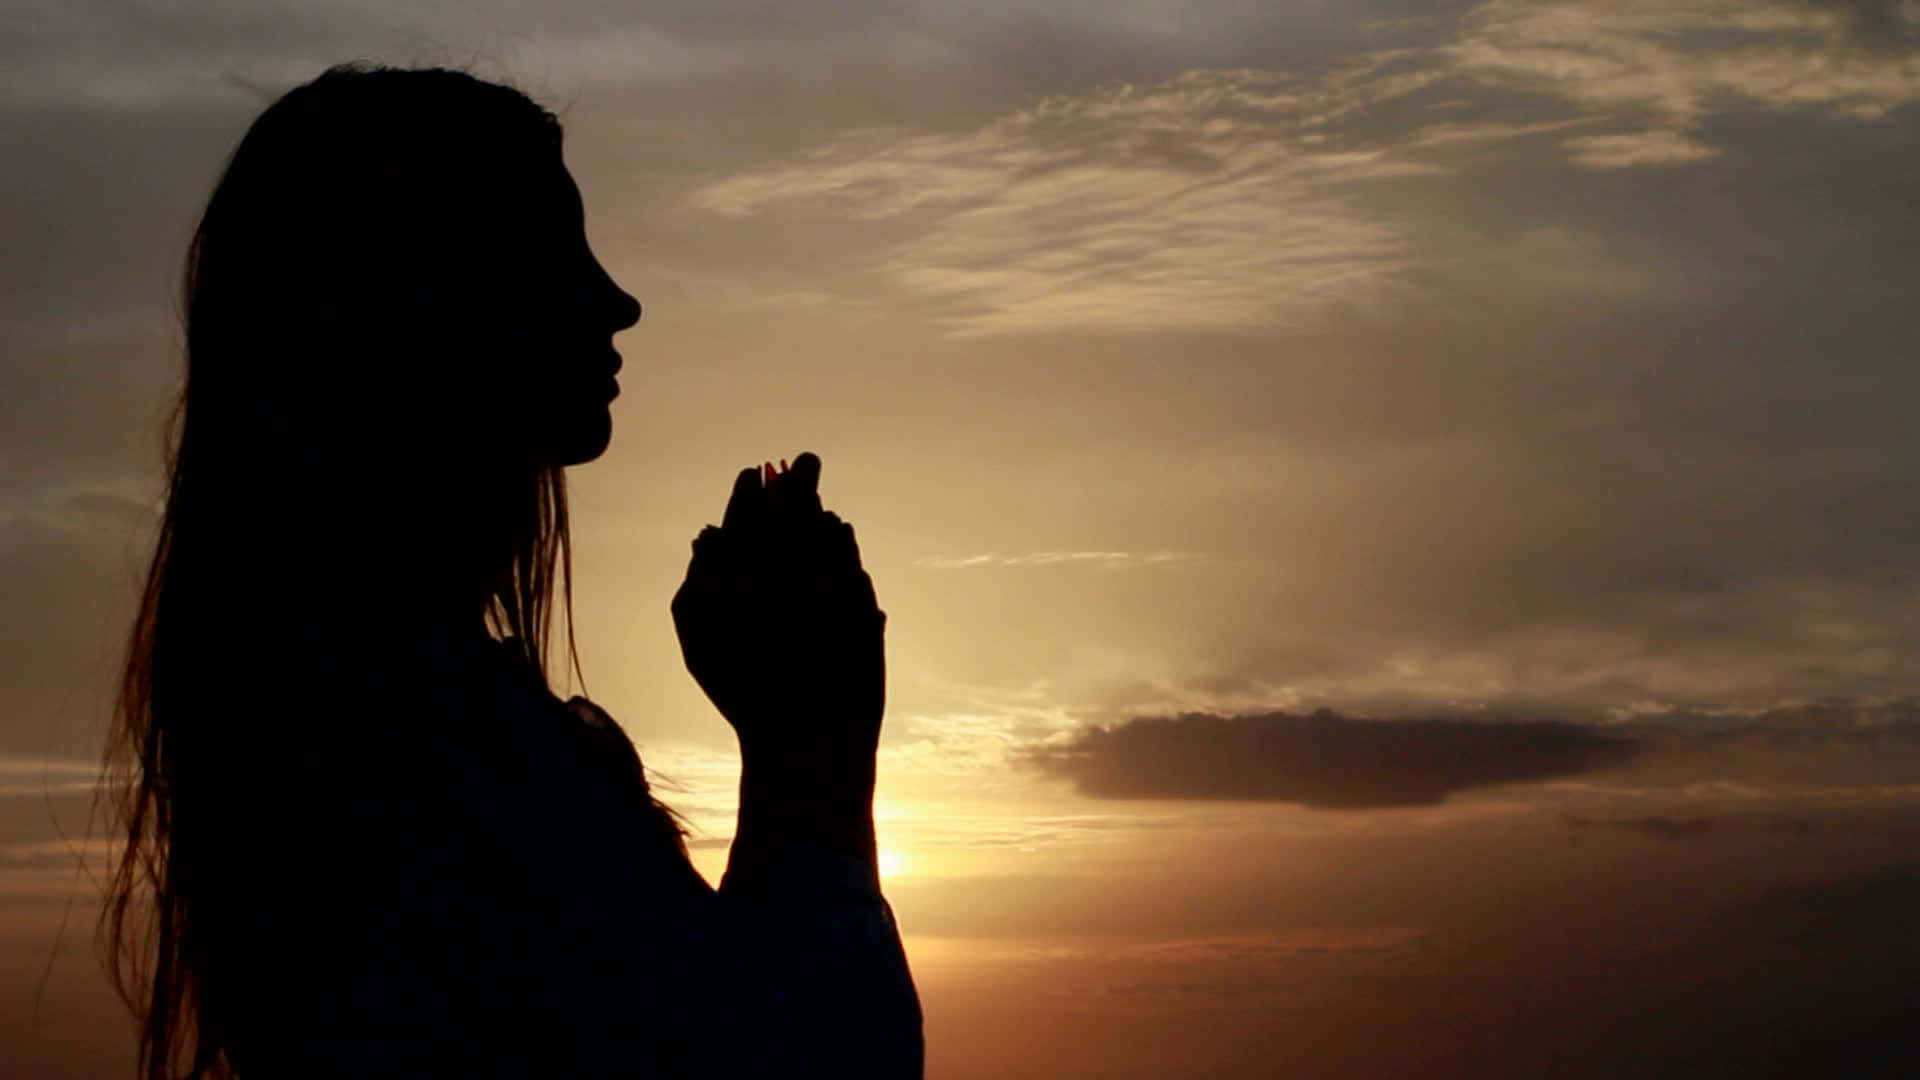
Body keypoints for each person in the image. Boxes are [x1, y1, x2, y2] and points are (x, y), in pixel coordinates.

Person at [95, 63, 922, 1078]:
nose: (620, 303)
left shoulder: (327, 730)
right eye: (557, 255)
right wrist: (813, 754)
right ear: (431, 312)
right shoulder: (441, 766)